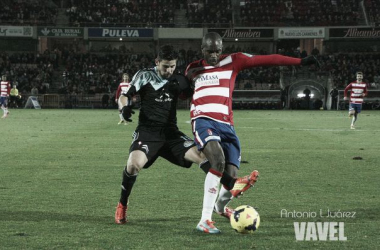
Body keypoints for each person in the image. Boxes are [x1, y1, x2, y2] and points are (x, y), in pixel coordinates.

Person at [185, 32, 319, 234]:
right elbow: (182, 90)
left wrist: (300, 61)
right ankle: (204, 220)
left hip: (226, 125)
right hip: (203, 120)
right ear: (202, 49)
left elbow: (268, 59)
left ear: (222, 49)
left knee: (230, 180)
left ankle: (220, 208)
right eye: (209, 51)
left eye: (217, 51)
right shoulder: (192, 69)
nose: (213, 55)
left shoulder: (234, 60)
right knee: (217, 161)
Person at [114, 45, 258, 226]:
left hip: (171, 133)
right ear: (157, 62)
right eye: (165, 66)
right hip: (148, 132)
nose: (169, 70)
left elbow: (197, 92)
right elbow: (124, 96)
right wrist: (124, 108)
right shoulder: (144, 75)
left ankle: (230, 186)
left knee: (203, 156)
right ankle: (122, 204)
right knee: (134, 165)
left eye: (172, 66)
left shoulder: (179, 80)